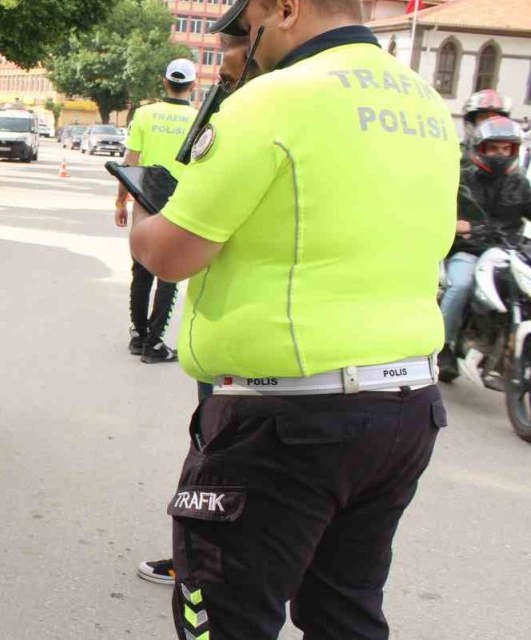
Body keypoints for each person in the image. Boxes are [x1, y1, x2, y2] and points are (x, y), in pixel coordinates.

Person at [129, 0, 457, 637]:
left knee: (223, 620)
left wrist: (145, 218)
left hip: (287, 425)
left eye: (247, 24)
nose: (245, 40)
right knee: (345, 613)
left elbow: (172, 255)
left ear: (287, 9)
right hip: (405, 408)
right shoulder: (425, 103)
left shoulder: (274, 100)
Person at [136, 30, 260, 587]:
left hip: (247, 341)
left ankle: (202, 564)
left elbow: (169, 255)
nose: (221, 69)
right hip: (385, 378)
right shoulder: (403, 108)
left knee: (218, 460)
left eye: (231, 56)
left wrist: (143, 215)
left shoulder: (254, 116)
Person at [114, 58, 198, 364]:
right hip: (179, 202)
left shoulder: (145, 114)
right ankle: (155, 342)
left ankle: (138, 336)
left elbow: (130, 162)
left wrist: (120, 202)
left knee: (141, 269)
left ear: (164, 82)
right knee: (169, 272)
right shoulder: (200, 118)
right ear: (193, 85)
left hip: (144, 201)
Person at [438, 116, 531, 381]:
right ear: (481, 149)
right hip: (469, 249)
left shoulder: (520, 183)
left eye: (506, 149)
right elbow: (444, 213)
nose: (500, 155)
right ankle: (442, 347)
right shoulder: (462, 179)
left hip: (507, 250)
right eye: (494, 148)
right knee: (460, 286)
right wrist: (456, 225)